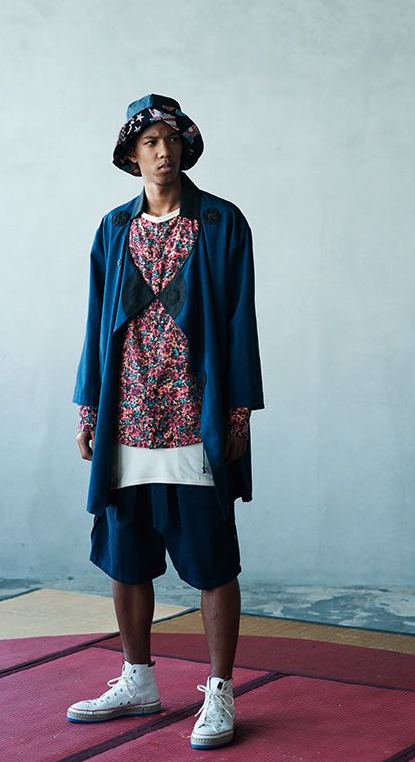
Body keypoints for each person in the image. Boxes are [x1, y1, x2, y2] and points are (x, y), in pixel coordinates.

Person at [66, 94, 264, 749]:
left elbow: (239, 320)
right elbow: (96, 322)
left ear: (185, 148)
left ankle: (221, 690)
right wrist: (88, 407)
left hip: (193, 416)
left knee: (212, 558)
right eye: (149, 142)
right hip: (126, 416)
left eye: (171, 140)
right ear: (131, 154)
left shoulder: (221, 222)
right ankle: (138, 679)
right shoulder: (112, 229)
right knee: (126, 557)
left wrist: (238, 412)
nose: (162, 152)